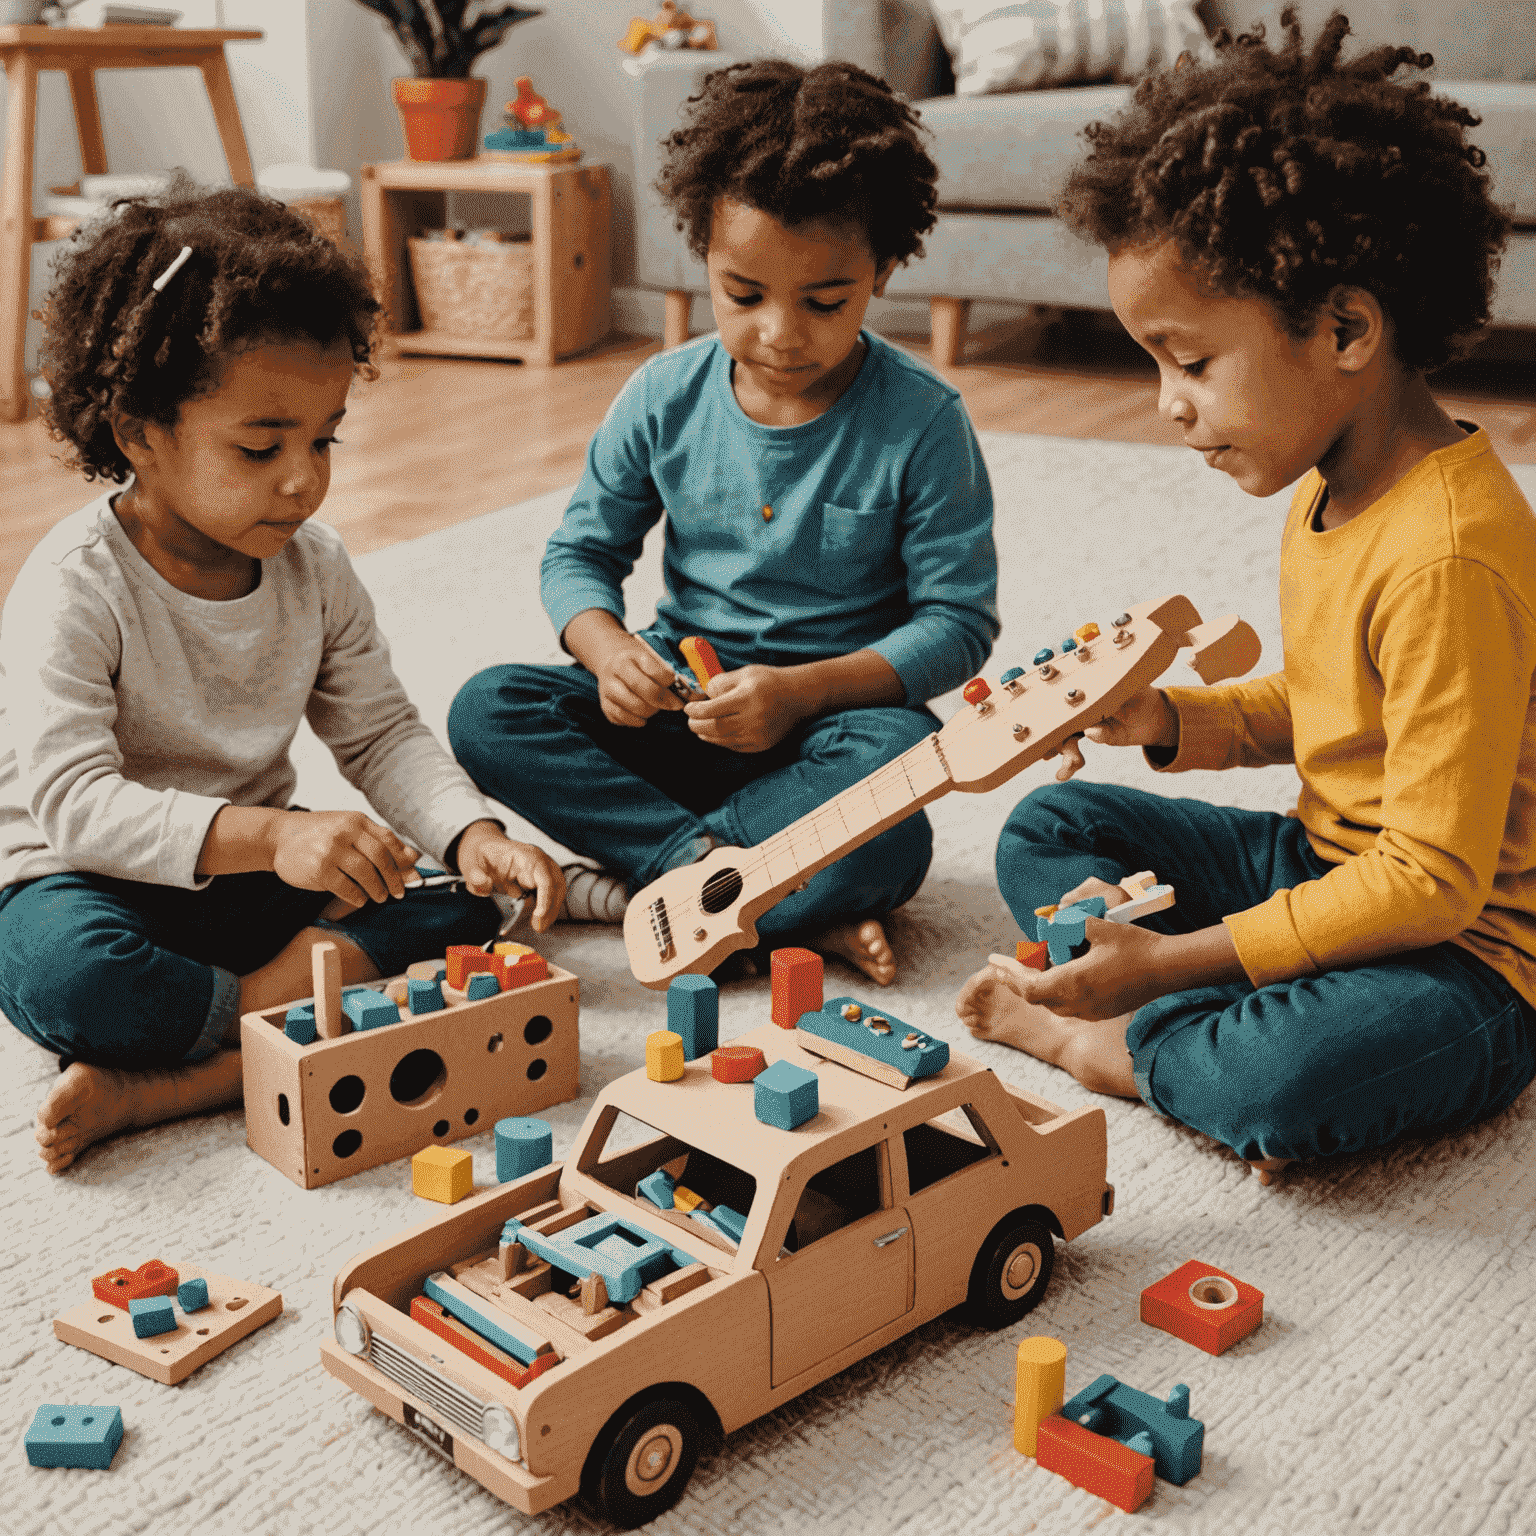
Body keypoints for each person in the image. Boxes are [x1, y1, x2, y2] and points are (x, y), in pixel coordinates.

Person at [957, 9, 1533, 1180]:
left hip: (1467, 958)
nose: (1169, 402)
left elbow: (1429, 880)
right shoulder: (1333, 484)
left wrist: (1172, 964)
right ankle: (1176, 1012)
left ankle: (1116, 1046)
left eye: (1192, 360)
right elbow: (1333, 712)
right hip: (1326, 871)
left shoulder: (1450, 553)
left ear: (1346, 327)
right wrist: (1174, 720)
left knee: (1285, 1081)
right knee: (1053, 827)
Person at [2, 182, 564, 1174]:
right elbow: (78, 806)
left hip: (242, 878)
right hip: (79, 881)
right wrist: (282, 835)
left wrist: (472, 832)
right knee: (78, 981)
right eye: (261, 447)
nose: (303, 480)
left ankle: (190, 1073)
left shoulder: (316, 566)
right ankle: (268, 1029)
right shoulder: (74, 586)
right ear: (137, 431)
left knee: (460, 903)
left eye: (323, 438)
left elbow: (381, 733)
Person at [450, 59, 998, 986]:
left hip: (833, 732)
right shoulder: (664, 394)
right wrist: (608, 651)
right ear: (702, 251)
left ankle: (672, 886)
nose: (781, 332)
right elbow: (581, 553)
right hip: (681, 720)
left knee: (899, 791)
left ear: (885, 269)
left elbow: (958, 628)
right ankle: (721, 883)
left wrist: (800, 694)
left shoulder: (924, 421)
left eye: (825, 302)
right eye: (743, 295)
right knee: (489, 708)